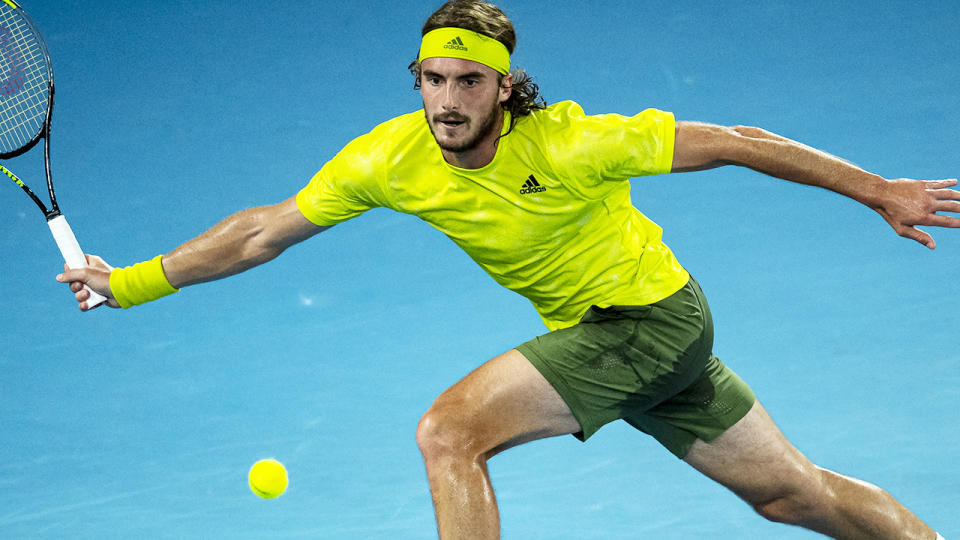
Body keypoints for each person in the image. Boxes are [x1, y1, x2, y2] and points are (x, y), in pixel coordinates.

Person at [58, 1, 955, 538]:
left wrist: (878, 190)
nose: (446, 101)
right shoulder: (388, 158)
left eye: (467, 83)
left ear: (503, 86)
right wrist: (129, 280)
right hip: (642, 335)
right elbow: (262, 234)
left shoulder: (568, 140)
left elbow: (735, 141)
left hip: (646, 322)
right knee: (793, 496)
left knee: (448, 432)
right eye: (431, 80)